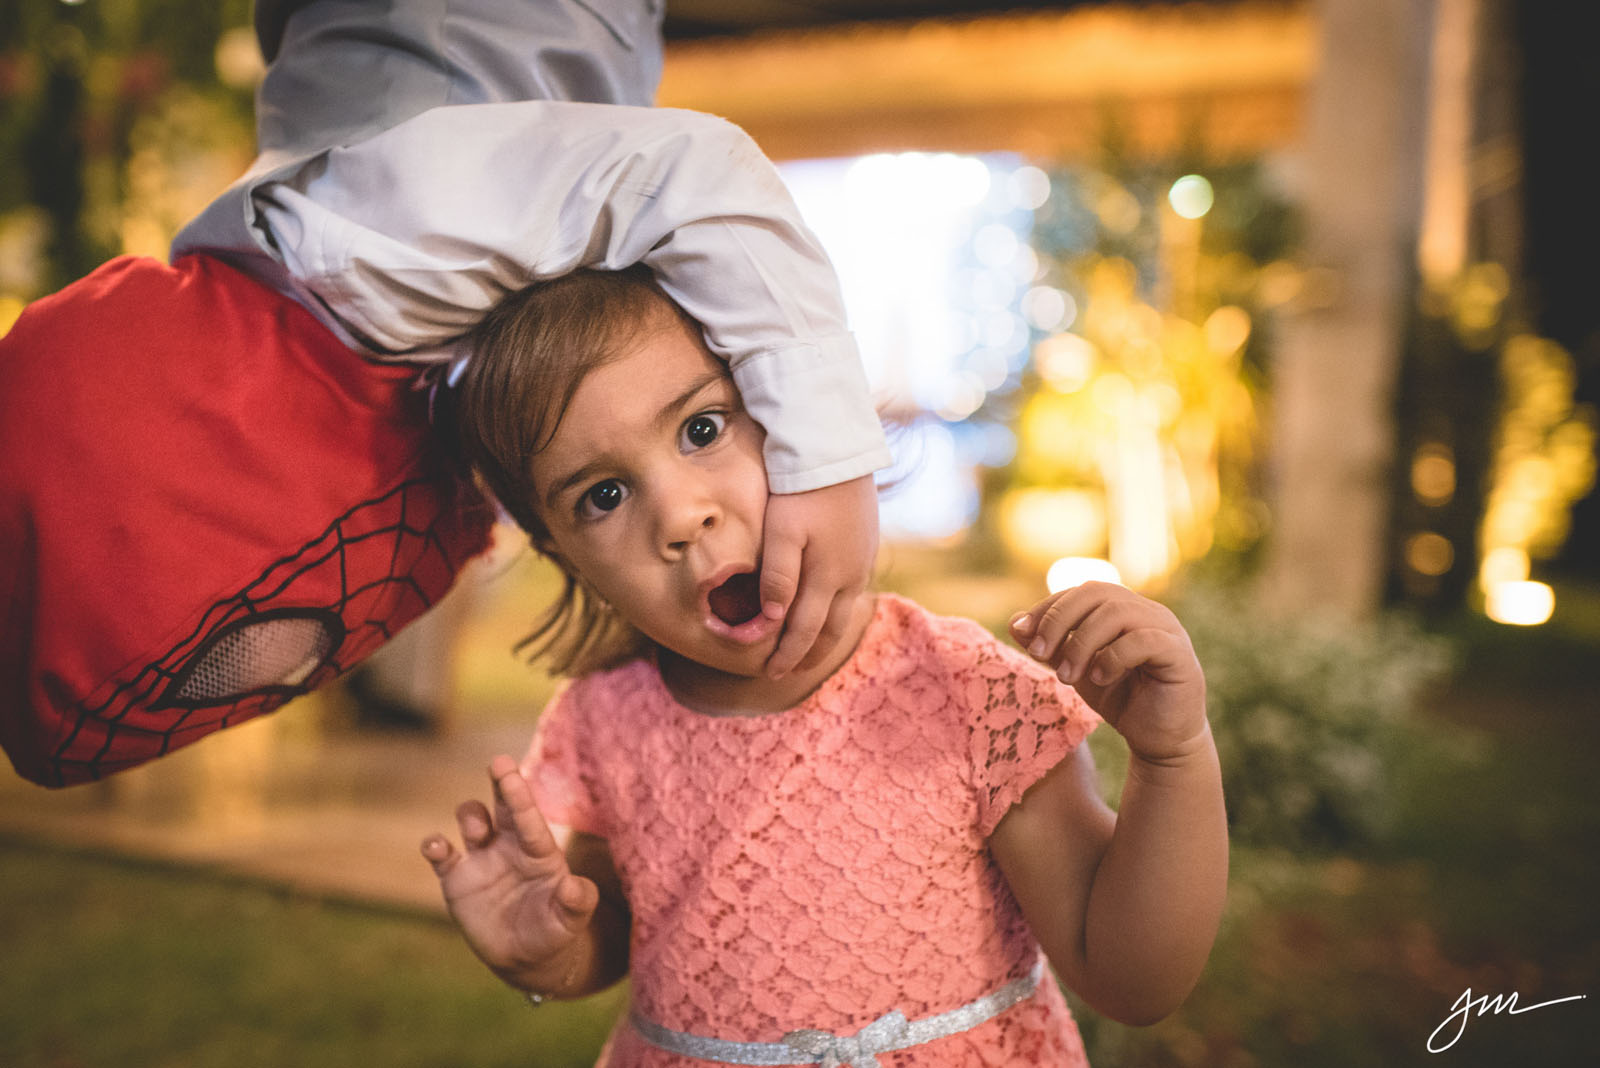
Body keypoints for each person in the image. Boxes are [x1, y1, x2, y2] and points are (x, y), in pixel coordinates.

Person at [1, 0, 887, 785]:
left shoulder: (372, 254)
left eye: (702, 427)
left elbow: (693, 176)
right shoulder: (369, 325)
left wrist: (826, 463)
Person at [420, 268, 1229, 1066]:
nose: (678, 513)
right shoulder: (604, 721)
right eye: (602, 495)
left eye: (703, 428)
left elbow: (1129, 977)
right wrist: (547, 952)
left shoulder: (967, 694)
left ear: (811, 423)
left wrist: (1174, 755)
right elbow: (620, 941)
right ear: (567, 556)